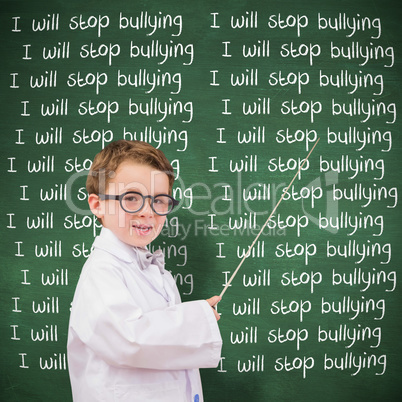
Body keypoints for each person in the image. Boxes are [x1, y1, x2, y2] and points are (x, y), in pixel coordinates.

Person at [67, 140, 222, 402]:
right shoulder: (102, 270)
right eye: (131, 198)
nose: (148, 212)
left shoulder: (155, 271)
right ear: (97, 205)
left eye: (159, 201)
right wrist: (196, 320)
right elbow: (127, 341)